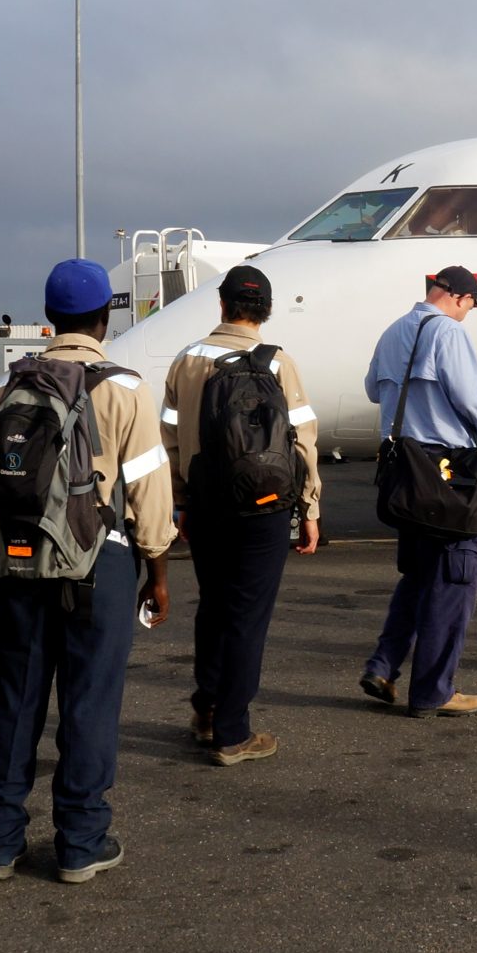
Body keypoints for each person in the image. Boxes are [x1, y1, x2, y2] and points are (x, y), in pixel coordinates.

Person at [0, 259, 174, 882]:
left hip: (18, 567)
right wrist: (157, 571)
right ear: (103, 317)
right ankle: (81, 843)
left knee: (17, 700)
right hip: (98, 564)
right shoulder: (125, 388)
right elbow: (148, 491)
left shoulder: (7, 390)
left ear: (50, 317)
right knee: (88, 704)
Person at [161, 266, 322, 766]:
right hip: (264, 509)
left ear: (222, 305)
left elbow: (169, 438)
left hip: (206, 505)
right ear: (266, 311)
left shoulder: (187, 361)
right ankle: (233, 733)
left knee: (213, 607)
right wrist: (309, 508)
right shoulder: (279, 364)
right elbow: (303, 443)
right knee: (247, 618)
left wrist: (181, 502)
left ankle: (206, 710)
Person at [359, 266, 477, 718]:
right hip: (446, 473)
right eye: (471, 306)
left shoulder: (392, 332)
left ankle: (384, 667)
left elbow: (372, 389)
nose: (468, 314)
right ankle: (434, 691)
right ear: (461, 298)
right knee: (457, 576)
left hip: (404, 472)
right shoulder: (448, 332)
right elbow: (471, 396)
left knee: (419, 576)